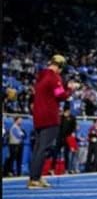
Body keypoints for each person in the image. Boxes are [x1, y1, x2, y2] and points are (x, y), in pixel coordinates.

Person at [27, 55, 80, 188]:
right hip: (49, 117)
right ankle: (35, 179)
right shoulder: (54, 77)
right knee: (44, 149)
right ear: (60, 66)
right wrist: (71, 89)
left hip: (38, 117)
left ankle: (34, 177)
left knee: (38, 148)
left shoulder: (42, 75)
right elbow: (61, 96)